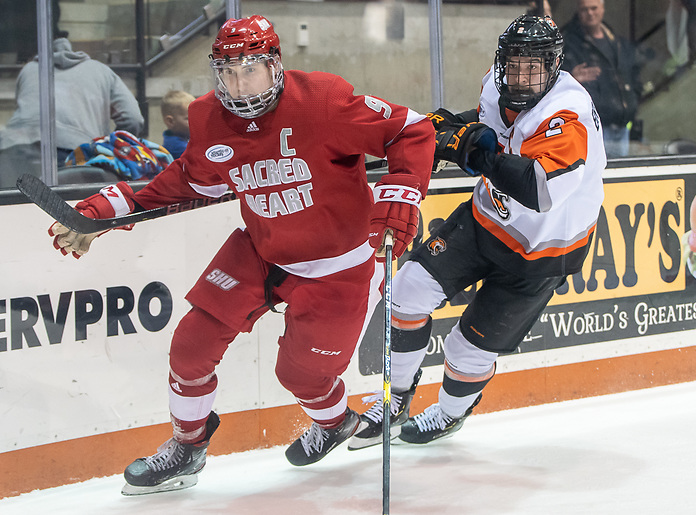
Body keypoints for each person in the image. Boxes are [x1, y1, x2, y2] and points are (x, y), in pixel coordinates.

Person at [46, 15, 434, 494]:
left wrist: (400, 195)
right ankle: (188, 447)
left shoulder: (324, 100)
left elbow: (412, 130)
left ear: (275, 64)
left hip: (338, 268)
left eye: (249, 69)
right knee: (190, 348)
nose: (236, 83)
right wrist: (101, 212)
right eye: (226, 71)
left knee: (300, 376)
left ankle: (334, 423)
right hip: (261, 251)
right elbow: (186, 180)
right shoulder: (211, 117)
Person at [348, 14, 605, 450]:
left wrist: (469, 151)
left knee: (466, 350)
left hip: (542, 251)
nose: (521, 76)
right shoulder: (495, 83)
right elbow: (487, 124)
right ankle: (394, 400)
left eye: (533, 68)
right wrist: (447, 129)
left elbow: (537, 189)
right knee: (406, 291)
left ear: (554, 66)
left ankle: (449, 414)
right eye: (514, 64)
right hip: (487, 219)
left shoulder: (568, 113)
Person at [0, 35, 144, 188]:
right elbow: (133, 118)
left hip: (14, 149)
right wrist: (113, 147)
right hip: (76, 152)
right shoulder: (101, 70)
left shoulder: (28, 69)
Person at [561, 0, 642, 158]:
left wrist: (634, 100)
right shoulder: (570, 45)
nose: (590, 13)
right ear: (578, 12)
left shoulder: (617, 42)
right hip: (593, 126)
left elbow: (631, 76)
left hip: (622, 125)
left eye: (594, 8)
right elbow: (556, 85)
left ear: (603, 9)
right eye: (585, 9)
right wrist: (571, 79)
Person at [160, 90, 195, 159]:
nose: (196, 122)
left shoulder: (181, 139)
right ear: (170, 121)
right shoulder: (177, 147)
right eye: (189, 119)